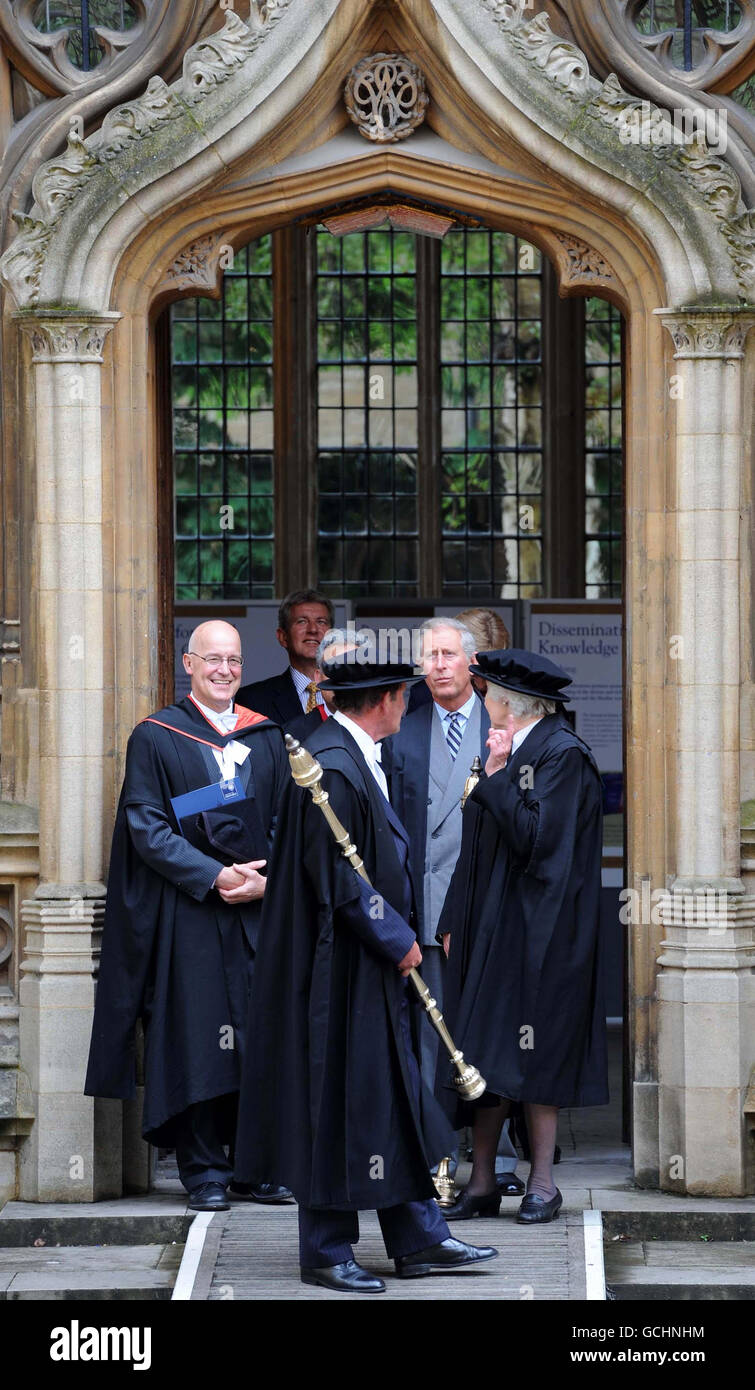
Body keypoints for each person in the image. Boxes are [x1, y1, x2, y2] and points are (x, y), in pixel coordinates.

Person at [234, 650, 498, 1292]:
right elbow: (339, 880)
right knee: (336, 1102)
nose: (408, 705)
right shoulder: (332, 767)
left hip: (369, 967)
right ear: (383, 702)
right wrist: (397, 937)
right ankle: (325, 1250)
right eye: (403, 696)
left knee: (390, 1096)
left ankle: (418, 1238)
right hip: (341, 971)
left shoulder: (352, 757)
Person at [85, 620, 292, 1212]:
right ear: (189, 663)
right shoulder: (157, 736)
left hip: (256, 911)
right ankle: (203, 1169)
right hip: (193, 913)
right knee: (200, 1037)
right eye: (212, 660)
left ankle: (254, 1165)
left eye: (233, 661)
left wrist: (265, 876)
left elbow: (287, 818)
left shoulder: (268, 737)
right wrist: (214, 876)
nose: (224, 670)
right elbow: (145, 826)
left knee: (259, 1036)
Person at [439, 648, 608, 1225]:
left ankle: (542, 1183)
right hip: (490, 927)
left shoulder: (562, 754)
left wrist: (494, 780)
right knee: (484, 1052)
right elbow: (478, 844)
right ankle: (482, 1180)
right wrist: (452, 921)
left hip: (542, 935)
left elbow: (536, 842)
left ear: (510, 703)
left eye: (486, 694)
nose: (481, 702)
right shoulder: (513, 749)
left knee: (537, 1055)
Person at [388, 617, 522, 1197]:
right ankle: (436, 1158)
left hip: (486, 913)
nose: (438, 664)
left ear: (472, 662)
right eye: (430, 655)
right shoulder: (403, 728)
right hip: (422, 912)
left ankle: (496, 1161)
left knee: (489, 1032)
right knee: (430, 1036)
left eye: (448, 654)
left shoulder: (505, 726)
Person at [236, 589, 334, 725]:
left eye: (321, 622)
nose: (313, 629)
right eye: (302, 621)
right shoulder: (252, 701)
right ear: (283, 637)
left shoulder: (353, 695)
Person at [407, 607, 511, 712]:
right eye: (475, 668)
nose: (482, 680)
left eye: (491, 669)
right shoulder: (424, 694)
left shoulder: (514, 692)